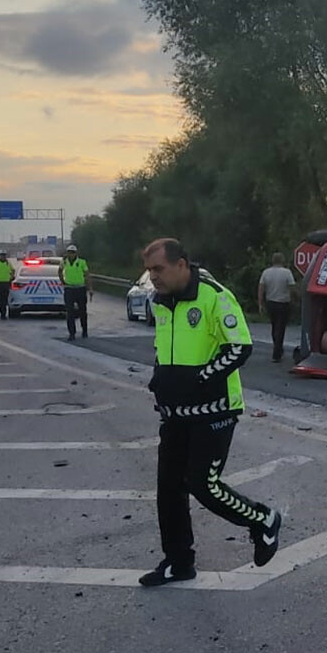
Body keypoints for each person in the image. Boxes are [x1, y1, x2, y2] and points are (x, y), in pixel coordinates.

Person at [138, 238, 281, 587]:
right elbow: (165, 350)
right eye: (149, 270)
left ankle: (263, 520)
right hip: (175, 413)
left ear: (182, 264)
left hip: (213, 410)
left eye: (159, 268)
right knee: (168, 488)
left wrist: (198, 380)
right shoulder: (160, 302)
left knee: (204, 485)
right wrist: (163, 381)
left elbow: (240, 348)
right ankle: (178, 562)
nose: (152, 276)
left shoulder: (215, 297)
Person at [258, 253, 297, 363]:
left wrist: (260, 303)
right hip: (283, 303)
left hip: (271, 302)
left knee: (274, 326)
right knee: (281, 327)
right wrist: (294, 299)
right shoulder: (287, 272)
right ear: (282, 260)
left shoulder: (266, 272)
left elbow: (261, 288)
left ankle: (278, 348)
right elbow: (292, 287)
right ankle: (277, 352)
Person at [58, 244, 92, 341]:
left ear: (76, 253)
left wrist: (90, 289)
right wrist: (62, 281)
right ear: (67, 253)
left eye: (73, 252)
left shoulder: (81, 262)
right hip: (69, 289)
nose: (71, 254)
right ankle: (72, 333)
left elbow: (87, 275)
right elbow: (60, 271)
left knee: (82, 311)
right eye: (69, 252)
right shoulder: (64, 262)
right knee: (70, 312)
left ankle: (84, 330)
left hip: (80, 288)